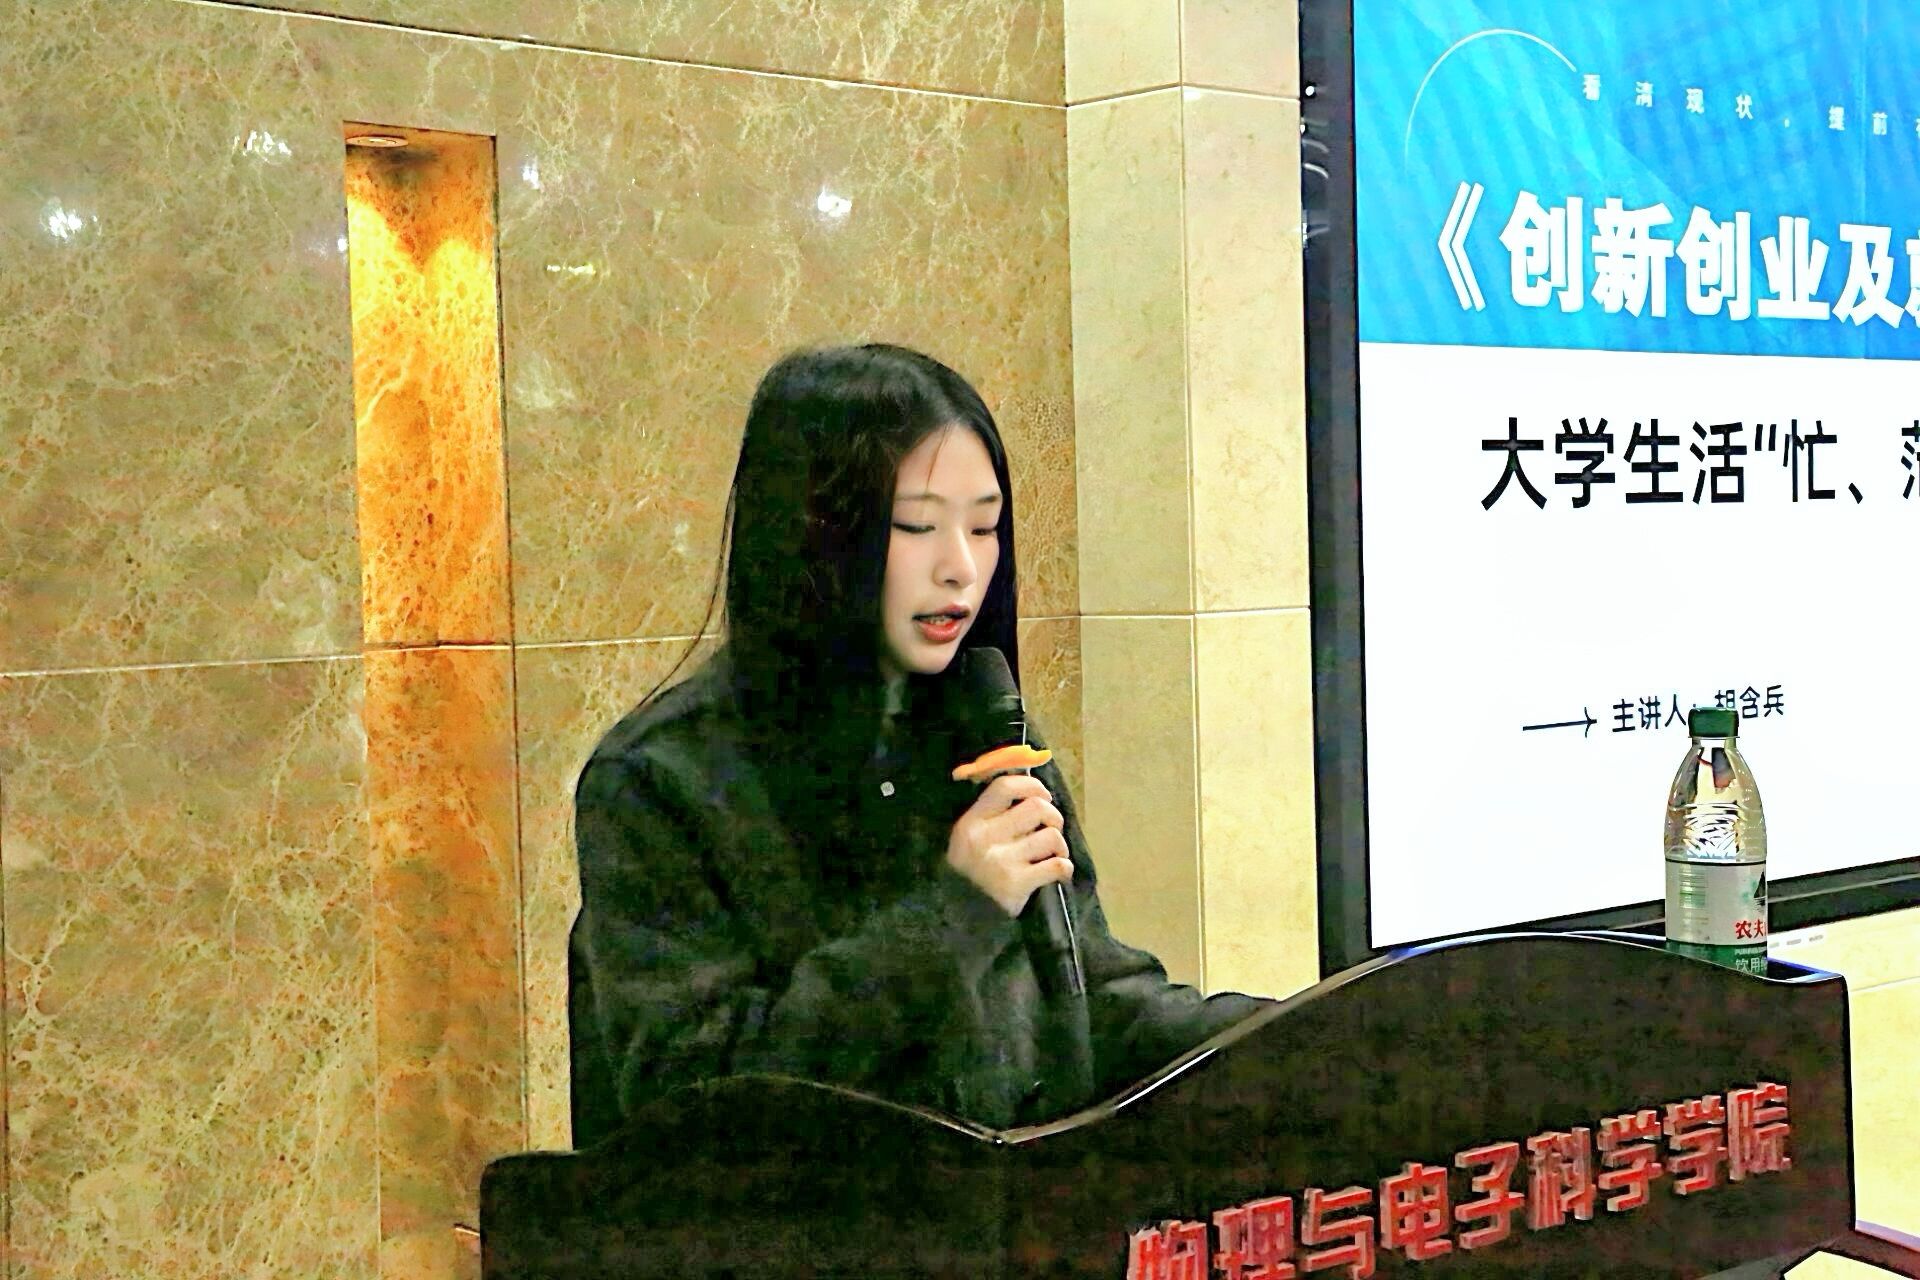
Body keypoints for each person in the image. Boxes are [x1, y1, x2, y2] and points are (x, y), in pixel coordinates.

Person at [567, 344, 1269, 1147]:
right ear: (814, 536)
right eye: (917, 527)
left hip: (1010, 1203)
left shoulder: (982, 729)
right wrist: (957, 914)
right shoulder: (659, 780)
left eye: (984, 526)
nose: (961, 568)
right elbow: (694, 1095)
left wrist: (1309, 1040)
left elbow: (1094, 1005)